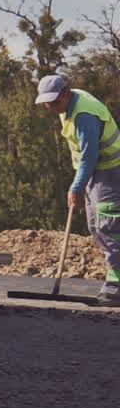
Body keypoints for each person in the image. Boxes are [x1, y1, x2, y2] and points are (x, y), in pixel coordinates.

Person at [36, 73, 120, 306]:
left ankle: (116, 287)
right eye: (46, 102)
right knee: (95, 225)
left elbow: (89, 155)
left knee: (109, 227)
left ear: (66, 93)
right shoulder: (69, 105)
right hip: (97, 172)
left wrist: (76, 187)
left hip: (111, 171)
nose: (49, 107)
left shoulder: (84, 115)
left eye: (53, 101)